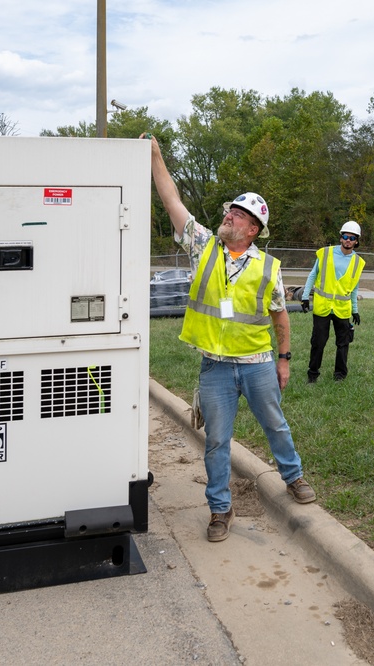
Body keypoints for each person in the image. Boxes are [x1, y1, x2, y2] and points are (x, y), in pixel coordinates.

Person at [143, 133, 316, 544]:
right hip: (216, 369)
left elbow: (280, 318)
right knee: (217, 441)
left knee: (276, 425)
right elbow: (173, 203)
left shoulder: (268, 267)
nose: (229, 217)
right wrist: (156, 156)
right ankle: (220, 509)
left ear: (253, 229)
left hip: (257, 364)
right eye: (230, 211)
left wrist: (285, 359)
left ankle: (293, 477)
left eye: (238, 215)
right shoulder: (204, 245)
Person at [300, 221, 366, 383]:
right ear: (340, 238)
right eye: (345, 236)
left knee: (343, 344)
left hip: (342, 309)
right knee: (318, 343)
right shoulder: (326, 253)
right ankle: (313, 375)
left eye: (352, 238)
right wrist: (304, 296)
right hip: (322, 307)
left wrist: (355, 310)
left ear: (356, 241)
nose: (348, 240)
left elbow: (354, 288)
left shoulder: (358, 263)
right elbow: (312, 275)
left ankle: (340, 375)